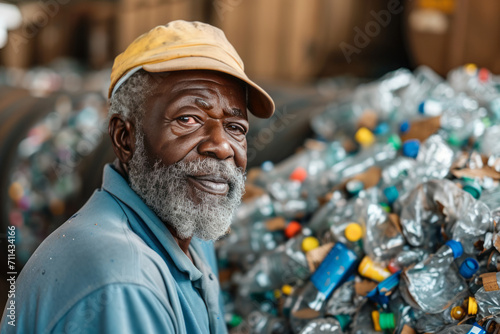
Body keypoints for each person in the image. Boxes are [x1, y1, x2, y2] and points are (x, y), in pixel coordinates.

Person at [0, 20, 274, 333]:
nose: (222, 146)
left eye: (236, 128)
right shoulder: (123, 283)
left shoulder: (191, 232)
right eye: (188, 119)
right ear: (125, 138)